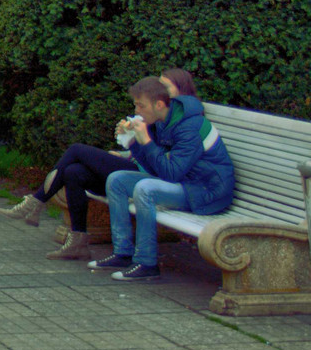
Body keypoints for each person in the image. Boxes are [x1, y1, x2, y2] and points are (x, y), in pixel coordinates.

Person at [0, 68, 198, 260]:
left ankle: (36, 202)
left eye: (165, 86)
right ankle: (77, 242)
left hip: (148, 178)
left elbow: (163, 160)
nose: (159, 89)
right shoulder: (159, 116)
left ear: (181, 91)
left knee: (76, 150)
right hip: (138, 168)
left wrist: (134, 141)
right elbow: (148, 151)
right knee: (73, 172)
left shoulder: (178, 120)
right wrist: (127, 146)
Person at [88, 75, 236, 282]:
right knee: (117, 180)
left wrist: (146, 141)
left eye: (141, 106)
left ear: (158, 104)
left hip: (206, 192)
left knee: (145, 189)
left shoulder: (190, 126)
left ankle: (147, 263)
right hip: (185, 183)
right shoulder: (162, 121)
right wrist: (133, 142)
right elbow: (155, 169)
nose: (137, 112)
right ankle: (122, 253)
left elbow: (170, 173)